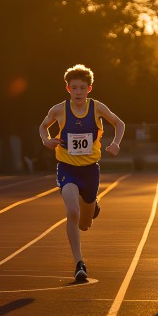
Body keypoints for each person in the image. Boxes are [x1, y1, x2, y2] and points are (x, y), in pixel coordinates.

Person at [39, 64, 125, 281]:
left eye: (82, 88)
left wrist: (116, 143)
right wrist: (47, 140)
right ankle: (79, 262)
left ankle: (92, 205)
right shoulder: (59, 110)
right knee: (72, 211)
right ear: (68, 89)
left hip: (90, 170)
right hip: (67, 168)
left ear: (89, 89)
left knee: (85, 224)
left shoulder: (97, 108)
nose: (78, 92)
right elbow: (43, 126)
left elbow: (119, 123)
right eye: (74, 88)